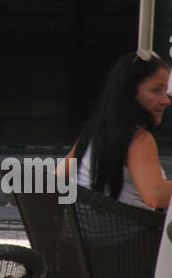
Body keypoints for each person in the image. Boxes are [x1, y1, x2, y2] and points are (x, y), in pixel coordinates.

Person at [61, 51, 172, 210]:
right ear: (129, 92)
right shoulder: (139, 139)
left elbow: (54, 181)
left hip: (87, 232)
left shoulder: (92, 133)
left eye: (166, 90)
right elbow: (156, 195)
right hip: (136, 233)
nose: (166, 100)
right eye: (156, 90)